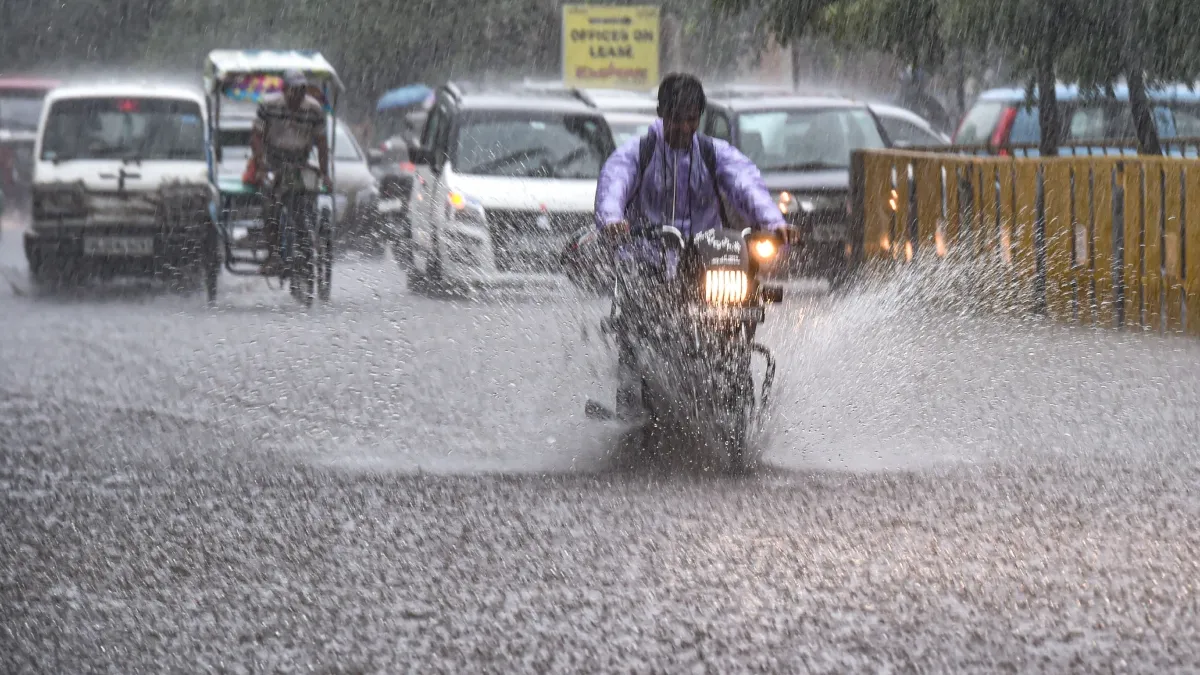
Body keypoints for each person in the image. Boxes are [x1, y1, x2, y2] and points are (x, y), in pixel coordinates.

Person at [592, 72, 794, 420]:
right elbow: (614, 186)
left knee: (746, 300)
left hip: (708, 263)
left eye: (691, 120)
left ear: (699, 118)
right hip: (648, 261)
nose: (684, 128)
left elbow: (747, 185)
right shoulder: (637, 154)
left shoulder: (715, 154)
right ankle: (630, 404)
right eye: (676, 120)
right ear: (661, 114)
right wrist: (612, 220)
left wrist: (774, 223)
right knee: (634, 320)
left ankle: (733, 374)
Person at [251, 70, 332, 275]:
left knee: (303, 206)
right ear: (284, 89)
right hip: (273, 162)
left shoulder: (314, 110)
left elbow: (322, 144)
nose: (297, 95)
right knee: (270, 206)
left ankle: (306, 244)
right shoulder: (268, 106)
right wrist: (260, 165)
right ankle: (274, 254)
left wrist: (325, 173)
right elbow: (257, 137)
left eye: (302, 90)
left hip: (300, 162)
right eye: (294, 90)